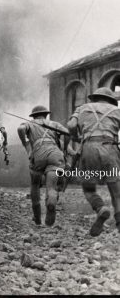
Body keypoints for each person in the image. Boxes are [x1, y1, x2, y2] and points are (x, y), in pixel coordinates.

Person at [68, 87, 120, 236]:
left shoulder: (82, 108)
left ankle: (100, 208)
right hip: (110, 147)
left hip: (89, 147)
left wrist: (75, 137)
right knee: (116, 193)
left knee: (89, 189)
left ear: (94, 98)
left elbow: (71, 126)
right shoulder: (116, 110)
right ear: (111, 100)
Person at [17, 105, 69, 226]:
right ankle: (51, 202)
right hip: (55, 154)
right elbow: (67, 133)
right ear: (46, 114)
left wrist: (26, 145)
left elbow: (20, 129)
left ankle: (37, 218)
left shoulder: (29, 123)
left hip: (38, 154)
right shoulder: (54, 124)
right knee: (51, 187)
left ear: (33, 115)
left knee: (35, 184)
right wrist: (65, 149)